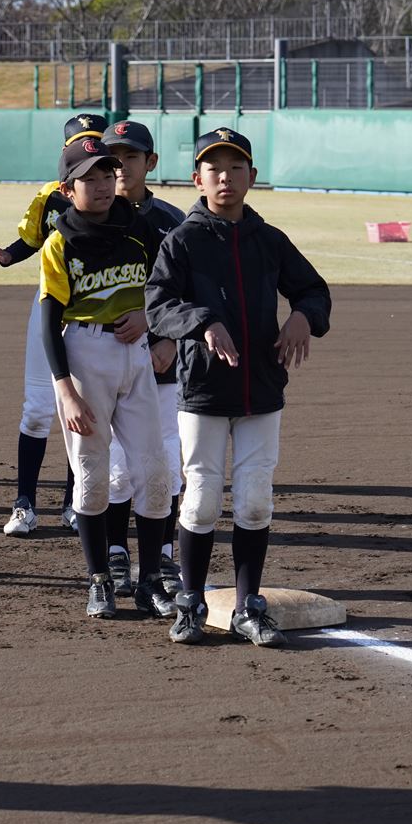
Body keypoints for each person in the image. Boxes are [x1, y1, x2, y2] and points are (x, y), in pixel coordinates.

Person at [146, 127, 331, 649]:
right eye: (214, 168)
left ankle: (250, 606)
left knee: (254, 501)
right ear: (197, 179)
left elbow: (314, 290)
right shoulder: (182, 240)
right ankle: (191, 603)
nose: (225, 177)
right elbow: (158, 305)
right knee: (201, 500)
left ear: (252, 176)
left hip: (262, 388)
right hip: (204, 390)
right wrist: (203, 321)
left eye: (235, 168)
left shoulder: (269, 240)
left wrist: (303, 316)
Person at [40, 137, 174, 620]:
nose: (101, 185)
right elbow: (48, 321)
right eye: (88, 178)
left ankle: (150, 580)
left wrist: (156, 326)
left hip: (135, 354)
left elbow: (168, 287)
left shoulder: (141, 228)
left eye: (106, 175)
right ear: (67, 189)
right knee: (93, 475)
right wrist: (64, 389)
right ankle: (99, 580)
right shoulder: (60, 242)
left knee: (154, 471)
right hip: (84, 353)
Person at [0, 113, 103, 537]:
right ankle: (24, 504)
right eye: (79, 144)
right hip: (50, 303)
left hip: (96, 310)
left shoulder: (115, 203)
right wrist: (6, 256)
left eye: (94, 142)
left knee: (84, 410)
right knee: (36, 410)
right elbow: (31, 239)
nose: (87, 150)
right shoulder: (50, 196)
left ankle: (74, 503)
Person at [99, 120, 186, 600]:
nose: (120, 167)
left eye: (130, 157)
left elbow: (187, 289)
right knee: (115, 463)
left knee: (166, 459)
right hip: (106, 356)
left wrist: (167, 337)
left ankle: (164, 553)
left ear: (150, 162)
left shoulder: (172, 221)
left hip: (160, 358)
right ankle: (115, 550)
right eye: (112, 158)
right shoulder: (88, 218)